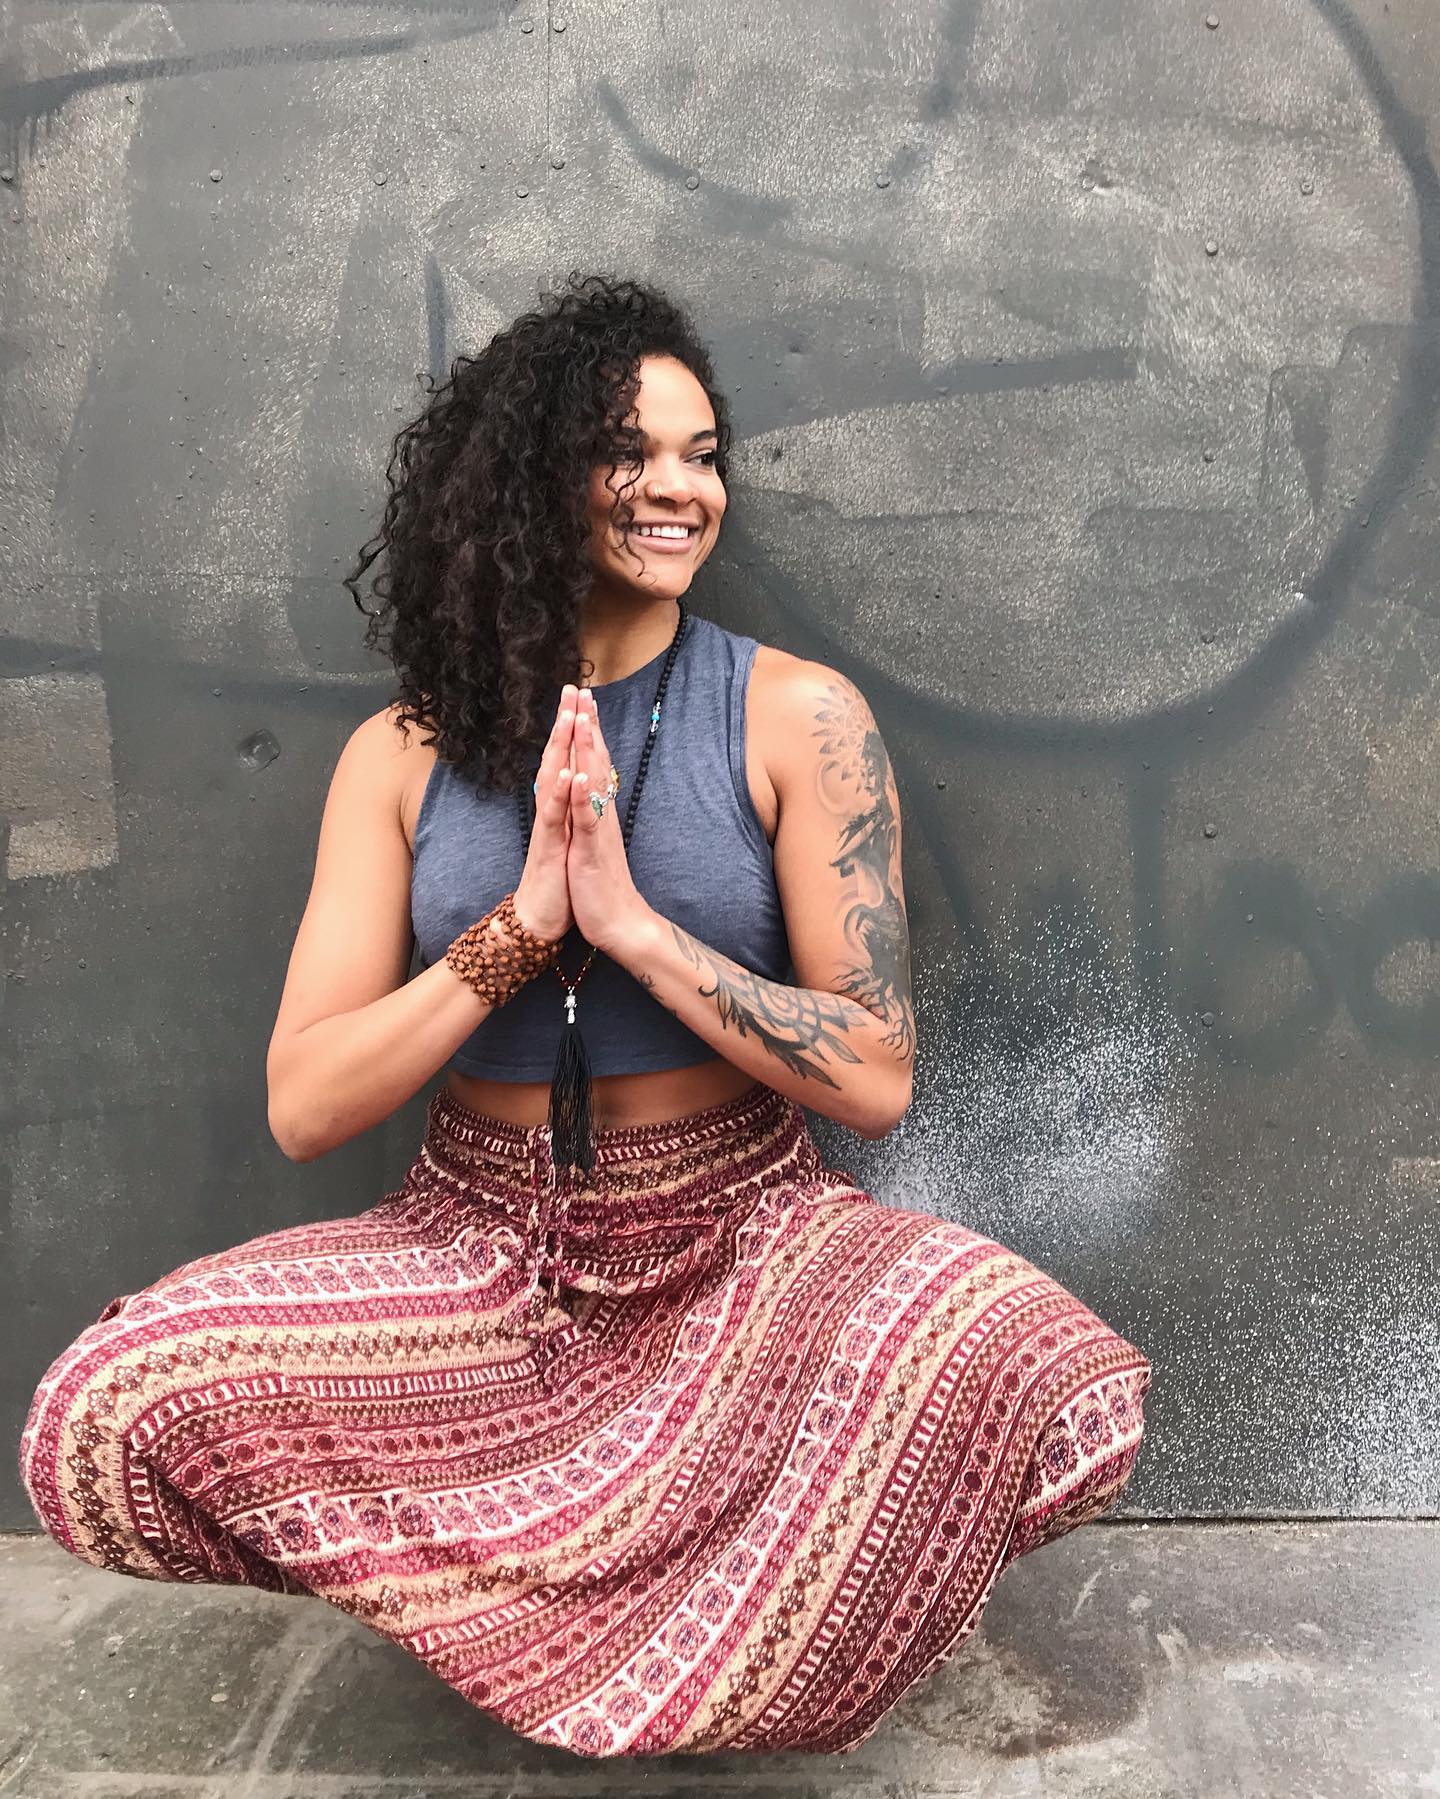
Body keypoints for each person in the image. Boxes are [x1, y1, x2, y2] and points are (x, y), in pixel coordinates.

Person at [20, 272, 1151, 1758]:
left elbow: (874, 1078)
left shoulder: (798, 716)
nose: (682, 490)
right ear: (529, 484)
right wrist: (520, 933)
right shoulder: (400, 755)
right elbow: (307, 1105)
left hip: (742, 1236)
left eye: (703, 456)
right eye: (632, 453)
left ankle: (678, 1659)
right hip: (477, 1245)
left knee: (1042, 1379)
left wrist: (631, 930)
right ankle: (566, 1629)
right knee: (106, 1412)